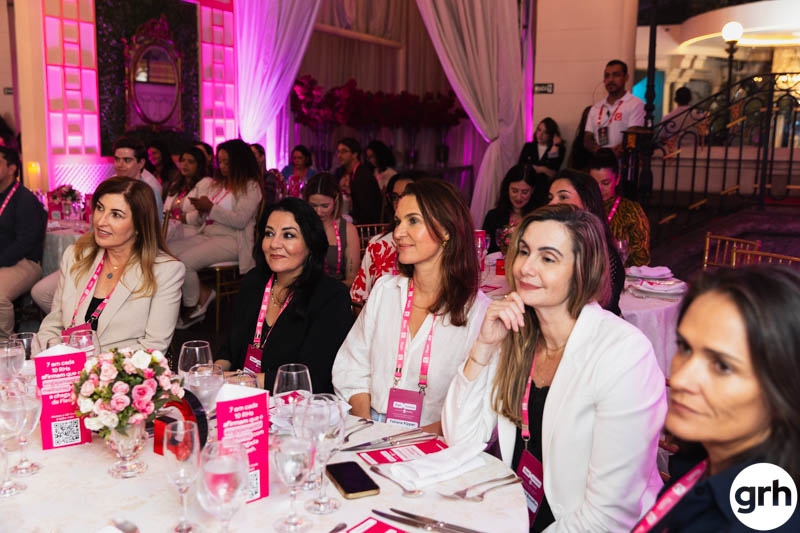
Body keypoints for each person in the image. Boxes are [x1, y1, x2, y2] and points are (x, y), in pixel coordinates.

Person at [442, 205, 666, 532]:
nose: (526, 267)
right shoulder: (517, 335)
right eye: (523, 251)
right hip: (517, 516)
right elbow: (461, 439)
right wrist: (484, 346)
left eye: (547, 258)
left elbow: (609, 517)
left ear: (583, 270)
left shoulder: (624, 355)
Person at [635, 267, 800, 533]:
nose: (681, 379)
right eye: (685, 348)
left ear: (783, 390)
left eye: (722, 366)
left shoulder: (760, 521)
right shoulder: (706, 459)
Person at [333, 179, 491, 434]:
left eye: (413, 221)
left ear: (447, 230)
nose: (398, 233)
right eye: (398, 221)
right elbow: (352, 367)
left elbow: (478, 406)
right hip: (371, 429)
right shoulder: (385, 291)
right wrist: (369, 429)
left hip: (437, 441)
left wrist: (409, 442)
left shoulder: (477, 312)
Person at [215, 198, 353, 392]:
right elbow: (230, 348)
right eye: (269, 233)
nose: (274, 244)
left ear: (311, 243)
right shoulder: (254, 282)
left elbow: (314, 376)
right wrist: (213, 372)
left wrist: (242, 380)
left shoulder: (331, 296)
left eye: (288, 235)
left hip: (295, 405)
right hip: (241, 397)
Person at [37, 177, 185, 352]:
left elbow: (154, 347)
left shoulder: (165, 271)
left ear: (139, 225)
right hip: (69, 364)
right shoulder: (76, 255)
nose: (101, 221)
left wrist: (94, 364)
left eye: (116, 215)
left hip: (120, 367)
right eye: (100, 208)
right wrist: (56, 355)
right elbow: (53, 323)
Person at [31, 135, 166, 314]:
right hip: (97, 253)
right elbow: (94, 229)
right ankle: (79, 322)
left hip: (129, 259)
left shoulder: (148, 194)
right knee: (41, 292)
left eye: (127, 160)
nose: (120, 165)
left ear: (141, 163)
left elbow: (152, 236)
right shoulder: (108, 187)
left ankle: (90, 320)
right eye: (117, 159)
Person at [171, 139, 262, 328]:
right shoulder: (218, 184)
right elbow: (203, 218)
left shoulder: (250, 186)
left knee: (184, 262)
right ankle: (203, 293)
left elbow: (240, 220)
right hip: (209, 233)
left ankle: (193, 305)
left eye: (227, 162)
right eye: (219, 161)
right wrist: (197, 212)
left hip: (233, 240)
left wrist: (210, 208)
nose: (222, 166)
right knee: (167, 253)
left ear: (239, 161)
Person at [548, 169, 624, 315]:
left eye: (563, 197)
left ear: (588, 204)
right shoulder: (555, 244)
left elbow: (594, 311)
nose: (552, 203)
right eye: (550, 197)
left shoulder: (604, 256)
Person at [350, 172, 420, 306]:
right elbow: (357, 297)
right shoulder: (378, 244)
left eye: (407, 195)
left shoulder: (430, 244)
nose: (400, 202)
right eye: (395, 197)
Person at [0, 147, 46, 340]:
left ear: (12, 168)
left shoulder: (25, 200)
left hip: (25, 262)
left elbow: (25, 242)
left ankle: (5, 345)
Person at [588, 149, 650, 266]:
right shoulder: (582, 207)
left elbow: (642, 257)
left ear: (617, 180)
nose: (599, 189)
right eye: (594, 183)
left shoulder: (631, 210)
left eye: (605, 183)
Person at [302, 173, 359, 287]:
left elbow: (352, 279)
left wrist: (327, 291)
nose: (318, 212)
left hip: (337, 291)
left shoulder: (348, 231)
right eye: (313, 206)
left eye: (325, 206)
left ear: (336, 200)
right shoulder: (300, 227)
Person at [584, 60, 645, 157]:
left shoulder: (636, 104)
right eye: (607, 76)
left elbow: (633, 136)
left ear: (626, 77)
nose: (611, 79)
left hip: (625, 163)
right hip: (600, 162)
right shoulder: (596, 108)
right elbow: (587, 139)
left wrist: (617, 151)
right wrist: (601, 152)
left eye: (616, 75)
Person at [482, 165, 544, 254]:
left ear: (533, 190)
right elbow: (485, 251)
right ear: (507, 189)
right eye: (514, 191)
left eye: (525, 192)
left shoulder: (539, 219)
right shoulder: (493, 216)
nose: (519, 197)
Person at [163, 147, 207, 243]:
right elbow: (165, 209)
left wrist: (177, 218)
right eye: (182, 160)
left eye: (190, 162)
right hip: (171, 226)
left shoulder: (205, 182)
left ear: (199, 165)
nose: (185, 164)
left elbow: (202, 215)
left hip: (192, 229)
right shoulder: (176, 184)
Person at [334, 138, 382, 224]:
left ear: (355, 154)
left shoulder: (363, 175)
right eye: (338, 152)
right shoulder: (347, 173)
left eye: (344, 151)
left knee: (339, 223)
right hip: (356, 220)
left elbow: (366, 210)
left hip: (366, 225)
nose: (339, 155)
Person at [568, 105, 593, 171]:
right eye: (586, 117)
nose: (587, 120)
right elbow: (571, 160)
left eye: (590, 118)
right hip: (576, 173)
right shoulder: (579, 138)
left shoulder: (599, 138)